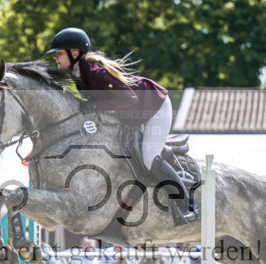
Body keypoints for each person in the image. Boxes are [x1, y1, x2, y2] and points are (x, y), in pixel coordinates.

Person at [47, 27, 195, 224]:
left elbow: (130, 98)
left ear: (75, 54)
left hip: (154, 106)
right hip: (135, 112)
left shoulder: (94, 71)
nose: (56, 58)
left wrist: (95, 106)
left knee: (150, 158)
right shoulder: (79, 75)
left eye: (59, 53)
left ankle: (186, 207)